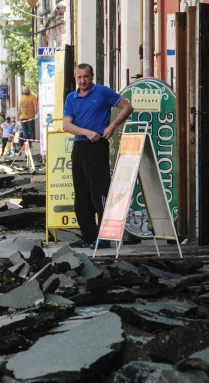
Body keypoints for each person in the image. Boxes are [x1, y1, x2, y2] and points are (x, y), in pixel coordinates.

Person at [63, 63, 134, 249]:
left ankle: (104, 236)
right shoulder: (71, 97)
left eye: (86, 77)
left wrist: (112, 126)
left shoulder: (102, 92)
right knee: (81, 194)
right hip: (80, 147)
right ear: (75, 78)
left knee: (99, 192)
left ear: (92, 77)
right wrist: (86, 132)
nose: (82, 81)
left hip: (97, 147)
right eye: (79, 77)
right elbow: (66, 125)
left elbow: (127, 107)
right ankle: (88, 235)